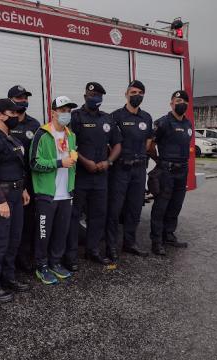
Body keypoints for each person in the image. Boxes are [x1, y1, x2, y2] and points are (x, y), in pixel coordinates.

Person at [66, 82, 122, 270]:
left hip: (101, 176)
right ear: (84, 97)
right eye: (90, 95)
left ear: (101, 98)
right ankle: (71, 255)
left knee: (98, 215)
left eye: (97, 95)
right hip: (80, 175)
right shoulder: (75, 117)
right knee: (74, 217)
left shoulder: (107, 119)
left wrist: (109, 162)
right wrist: (85, 162)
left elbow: (117, 144)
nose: (94, 98)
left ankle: (93, 251)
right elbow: (68, 145)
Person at [0, 98, 31, 303]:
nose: (16, 117)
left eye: (18, 113)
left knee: (14, 240)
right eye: (12, 113)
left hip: (16, 195)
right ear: (0, 115)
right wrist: (1, 200)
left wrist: (23, 189)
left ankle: (8, 278)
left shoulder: (12, 139)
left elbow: (18, 167)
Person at [30, 96, 78, 285]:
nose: (66, 113)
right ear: (53, 112)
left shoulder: (71, 135)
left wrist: (74, 156)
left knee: (61, 231)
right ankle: (41, 266)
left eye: (69, 110)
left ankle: (55, 263)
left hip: (66, 193)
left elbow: (71, 160)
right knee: (44, 233)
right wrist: (59, 162)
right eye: (63, 110)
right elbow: (34, 162)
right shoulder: (42, 134)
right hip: (47, 193)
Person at [105, 80, 153, 263]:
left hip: (139, 170)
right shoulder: (115, 116)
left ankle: (130, 243)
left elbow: (148, 141)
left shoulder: (146, 117)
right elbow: (108, 143)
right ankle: (111, 247)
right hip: (120, 170)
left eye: (140, 92)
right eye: (133, 92)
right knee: (115, 209)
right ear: (126, 94)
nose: (136, 95)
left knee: (134, 208)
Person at [148, 90, 192, 255]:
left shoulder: (188, 124)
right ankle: (156, 241)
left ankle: (169, 235)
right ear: (171, 103)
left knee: (176, 205)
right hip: (167, 170)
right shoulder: (163, 122)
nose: (181, 103)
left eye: (184, 101)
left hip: (183, 169)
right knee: (161, 206)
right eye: (178, 100)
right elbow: (150, 143)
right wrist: (159, 160)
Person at [6, 85, 41, 272]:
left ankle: (25, 257)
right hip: (7, 182)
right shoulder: (4, 123)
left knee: (27, 221)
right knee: (8, 223)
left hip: (28, 181)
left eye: (25, 98)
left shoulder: (34, 125)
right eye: (19, 98)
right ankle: (8, 262)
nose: (23, 101)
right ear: (10, 100)